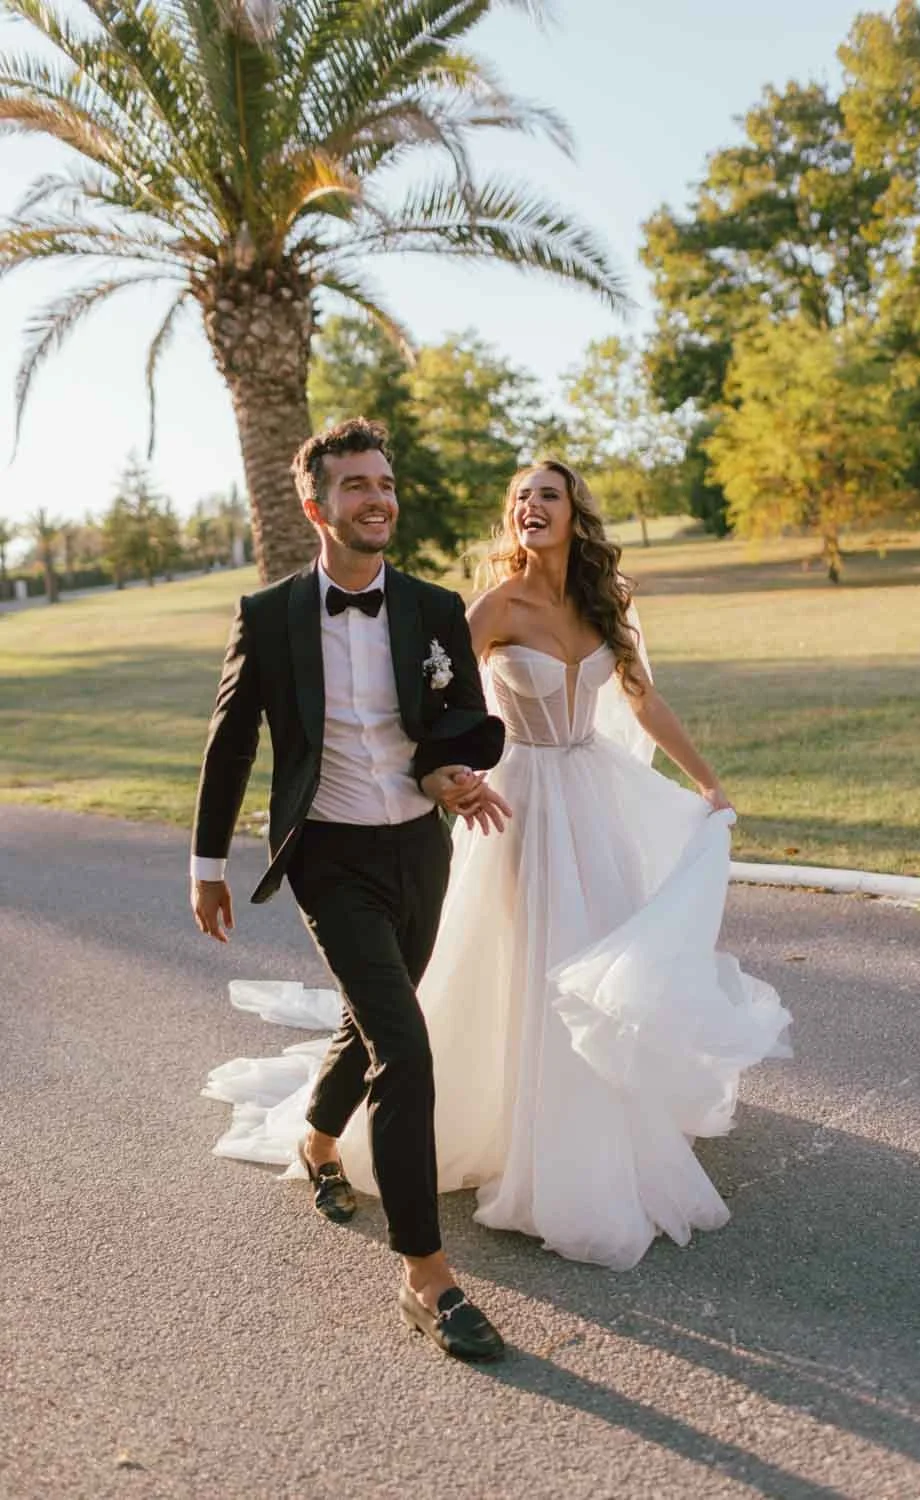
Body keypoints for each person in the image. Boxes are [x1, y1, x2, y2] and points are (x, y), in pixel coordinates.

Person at [206, 459, 791, 1273]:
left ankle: (598, 1131)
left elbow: (642, 697)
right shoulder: (493, 606)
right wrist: (445, 770)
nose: (530, 508)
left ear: (575, 513)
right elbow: (433, 703)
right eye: (520, 499)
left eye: (546, 496)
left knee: (599, 959)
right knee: (530, 964)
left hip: (591, 793)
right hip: (513, 802)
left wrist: (706, 779)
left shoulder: (606, 601)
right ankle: (514, 1143)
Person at [190, 417, 512, 1362]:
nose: (378, 499)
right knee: (405, 1049)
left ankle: (319, 1142)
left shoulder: (432, 606)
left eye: (385, 482)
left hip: (420, 849)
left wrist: (447, 770)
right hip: (328, 858)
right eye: (357, 486)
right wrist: (206, 864)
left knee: (373, 1019)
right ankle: (428, 1276)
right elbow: (231, 742)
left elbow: (462, 717)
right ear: (316, 506)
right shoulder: (270, 615)